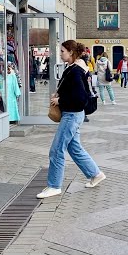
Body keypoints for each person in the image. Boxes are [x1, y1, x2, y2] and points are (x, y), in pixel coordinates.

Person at [37, 40, 106, 199]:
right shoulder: (75, 68)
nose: (60, 54)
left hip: (72, 115)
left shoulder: (75, 71)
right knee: (74, 148)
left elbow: (80, 98)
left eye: (62, 51)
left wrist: (60, 101)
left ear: (71, 52)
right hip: (73, 114)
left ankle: (54, 186)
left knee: (56, 150)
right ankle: (95, 174)